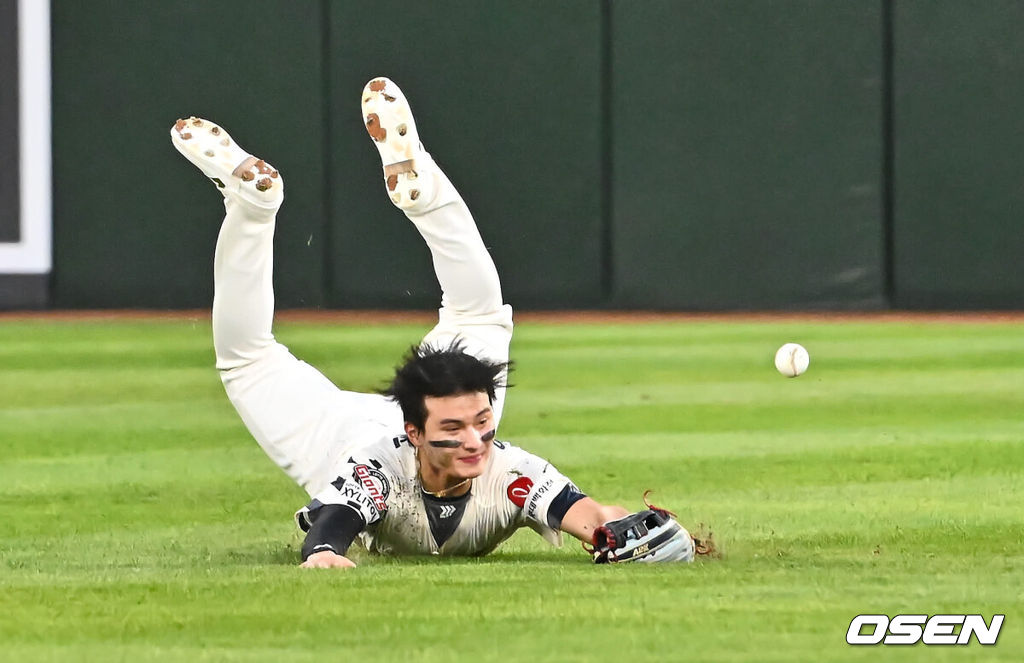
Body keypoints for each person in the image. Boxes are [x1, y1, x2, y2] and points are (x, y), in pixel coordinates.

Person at [170, 77, 701, 568]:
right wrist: (324, 553)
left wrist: (629, 533)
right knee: (248, 359)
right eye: (454, 428)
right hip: (335, 440)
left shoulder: (508, 469)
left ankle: (264, 206)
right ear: (413, 434)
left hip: (369, 432)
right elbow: (334, 523)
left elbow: (587, 514)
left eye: (480, 421)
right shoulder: (379, 467)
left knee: (472, 315)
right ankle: (267, 205)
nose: (475, 440)